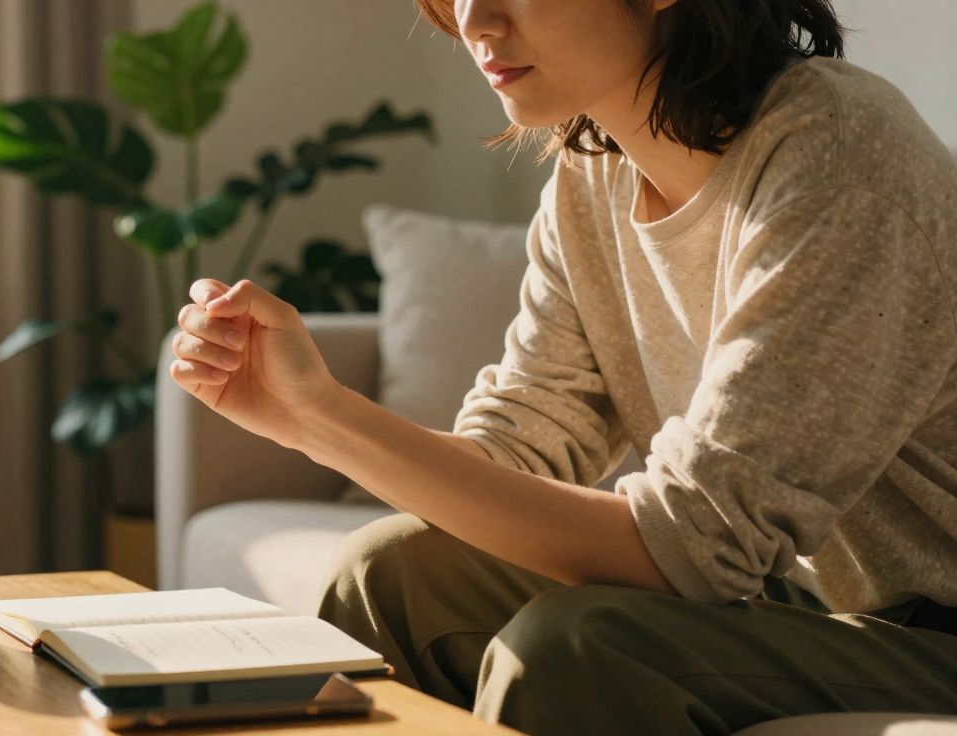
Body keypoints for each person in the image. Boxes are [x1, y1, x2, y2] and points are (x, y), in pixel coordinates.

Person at [166, 0, 957, 732]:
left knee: (572, 645)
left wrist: (332, 420)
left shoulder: (843, 154)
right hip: (817, 604)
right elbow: (514, 452)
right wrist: (310, 417)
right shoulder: (593, 180)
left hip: (934, 630)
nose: (476, 20)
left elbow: (694, 545)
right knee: (392, 570)